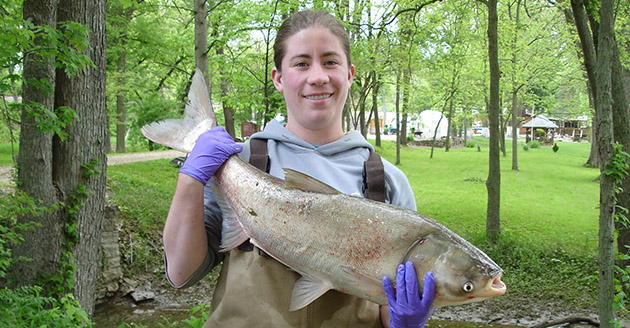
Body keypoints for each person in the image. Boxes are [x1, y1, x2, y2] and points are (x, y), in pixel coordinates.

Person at [163, 9, 435, 328]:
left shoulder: (387, 181)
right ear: (279, 77)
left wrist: (407, 323)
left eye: (331, 61)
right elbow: (181, 273)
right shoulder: (239, 163)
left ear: (349, 74)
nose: (317, 76)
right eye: (302, 63)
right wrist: (191, 177)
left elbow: (391, 312)